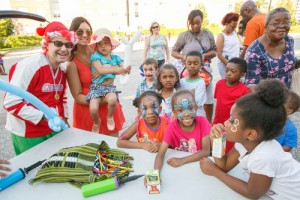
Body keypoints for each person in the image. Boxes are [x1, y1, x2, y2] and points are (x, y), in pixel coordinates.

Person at [200, 79, 300, 200]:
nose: (225, 123)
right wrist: (217, 141)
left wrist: (214, 171)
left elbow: (252, 193)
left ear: (251, 134)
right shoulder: (246, 143)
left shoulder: (265, 156)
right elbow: (224, 166)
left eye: (232, 121)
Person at [3, 21, 75, 155]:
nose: (64, 49)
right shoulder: (30, 66)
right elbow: (11, 103)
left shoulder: (61, 70)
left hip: (52, 129)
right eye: (58, 43)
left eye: (68, 45)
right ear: (46, 44)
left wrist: (64, 119)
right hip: (28, 133)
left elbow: (61, 99)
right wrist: (45, 116)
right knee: (35, 173)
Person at [67, 17, 125, 137]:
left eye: (88, 32)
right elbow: (77, 96)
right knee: (93, 152)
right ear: (72, 33)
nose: (85, 35)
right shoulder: (72, 62)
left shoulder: (99, 50)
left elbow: (118, 69)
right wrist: (103, 99)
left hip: (109, 107)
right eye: (80, 32)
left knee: (113, 150)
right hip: (89, 111)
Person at [154, 89, 210, 180]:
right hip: (179, 173)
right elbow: (160, 154)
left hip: (199, 168)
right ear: (174, 113)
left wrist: (182, 160)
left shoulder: (203, 122)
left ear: (196, 108)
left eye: (190, 108)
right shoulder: (171, 128)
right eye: (180, 110)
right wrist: (155, 174)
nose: (186, 114)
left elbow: (206, 151)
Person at [172, 9, 217, 123]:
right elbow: (174, 51)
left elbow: (215, 51)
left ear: (202, 21)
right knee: (188, 96)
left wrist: (203, 56)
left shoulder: (208, 34)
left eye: (197, 23)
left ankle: (207, 123)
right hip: (188, 70)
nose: (195, 26)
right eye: (192, 23)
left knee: (208, 98)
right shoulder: (184, 36)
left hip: (205, 70)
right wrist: (185, 57)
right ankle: (188, 120)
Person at [85, 30, 131, 132]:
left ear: (111, 45)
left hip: (109, 87)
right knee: (93, 108)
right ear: (97, 47)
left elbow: (124, 65)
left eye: (106, 43)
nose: (103, 46)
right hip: (96, 87)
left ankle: (109, 117)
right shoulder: (96, 56)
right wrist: (116, 70)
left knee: (112, 100)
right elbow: (100, 70)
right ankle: (97, 122)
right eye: (100, 44)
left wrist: (126, 68)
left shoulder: (115, 57)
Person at [244, 8, 299, 91]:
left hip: (287, 96)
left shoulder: (289, 40)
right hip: (266, 100)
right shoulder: (254, 52)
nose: (282, 26)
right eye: (276, 23)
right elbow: (252, 86)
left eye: (286, 22)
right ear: (266, 27)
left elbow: (287, 63)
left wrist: (297, 62)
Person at [213, 57, 250, 153]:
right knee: (217, 150)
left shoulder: (244, 90)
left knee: (228, 151)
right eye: (227, 70)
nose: (228, 73)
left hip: (232, 126)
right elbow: (218, 102)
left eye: (233, 71)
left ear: (242, 75)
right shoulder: (219, 84)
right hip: (218, 124)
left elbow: (244, 112)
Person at [179, 51, 206, 117]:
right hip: (183, 115)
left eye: (196, 63)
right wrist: (191, 95)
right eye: (189, 63)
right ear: (185, 64)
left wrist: (183, 98)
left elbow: (197, 102)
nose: (192, 66)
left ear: (201, 64)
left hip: (197, 115)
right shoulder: (181, 81)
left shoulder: (201, 82)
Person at [216, 12, 240, 79]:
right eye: (232, 27)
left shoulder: (234, 33)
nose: (234, 29)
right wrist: (229, 66)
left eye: (235, 27)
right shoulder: (221, 36)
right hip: (225, 65)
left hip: (235, 64)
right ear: (226, 24)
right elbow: (219, 54)